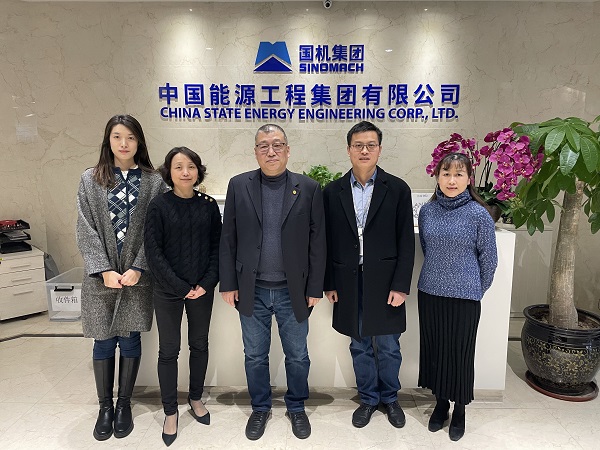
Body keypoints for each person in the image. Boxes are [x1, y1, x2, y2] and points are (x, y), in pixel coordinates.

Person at [219, 124, 326, 441]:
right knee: (254, 355)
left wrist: (315, 287)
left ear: (288, 150)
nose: (271, 151)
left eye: (277, 144)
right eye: (263, 145)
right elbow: (228, 238)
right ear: (255, 151)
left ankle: (297, 406)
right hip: (251, 288)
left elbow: (318, 242)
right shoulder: (239, 185)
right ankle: (260, 407)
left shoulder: (308, 188)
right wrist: (228, 283)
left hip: (294, 290)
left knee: (298, 355)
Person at [76, 114, 165, 441]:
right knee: (102, 339)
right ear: (108, 140)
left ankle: (124, 404)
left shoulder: (154, 181)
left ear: (139, 141)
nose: (124, 143)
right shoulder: (90, 178)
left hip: (135, 276)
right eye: (117, 137)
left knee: (129, 337)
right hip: (101, 277)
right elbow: (85, 227)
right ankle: (105, 407)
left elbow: (157, 230)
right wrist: (103, 268)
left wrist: (139, 266)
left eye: (130, 137)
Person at [323, 121, 415, 429]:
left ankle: (390, 398)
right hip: (349, 280)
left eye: (370, 145)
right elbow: (327, 241)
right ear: (348, 149)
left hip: (386, 282)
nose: (364, 150)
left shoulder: (397, 189)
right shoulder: (332, 191)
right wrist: (329, 282)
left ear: (379, 149)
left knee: (388, 345)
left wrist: (401, 285)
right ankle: (368, 399)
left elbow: (406, 240)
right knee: (359, 343)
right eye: (358, 145)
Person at [144, 147, 222, 446]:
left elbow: (218, 248)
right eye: (178, 167)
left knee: (199, 344)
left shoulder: (208, 206)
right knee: (169, 350)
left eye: (191, 166)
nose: (185, 172)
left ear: (198, 171)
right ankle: (170, 410)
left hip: (201, 289)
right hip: (168, 291)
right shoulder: (158, 206)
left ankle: (196, 398)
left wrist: (206, 283)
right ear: (169, 172)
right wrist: (180, 287)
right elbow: (154, 252)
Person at [417, 152, 498, 441]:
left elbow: (489, 260)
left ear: (468, 179)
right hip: (430, 293)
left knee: (460, 355)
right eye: (446, 173)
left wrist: (474, 289)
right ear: (437, 176)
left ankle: (460, 409)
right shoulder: (427, 211)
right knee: (436, 351)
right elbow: (427, 247)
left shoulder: (479, 214)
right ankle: (440, 404)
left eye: (459, 174)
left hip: (465, 298)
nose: (452, 180)